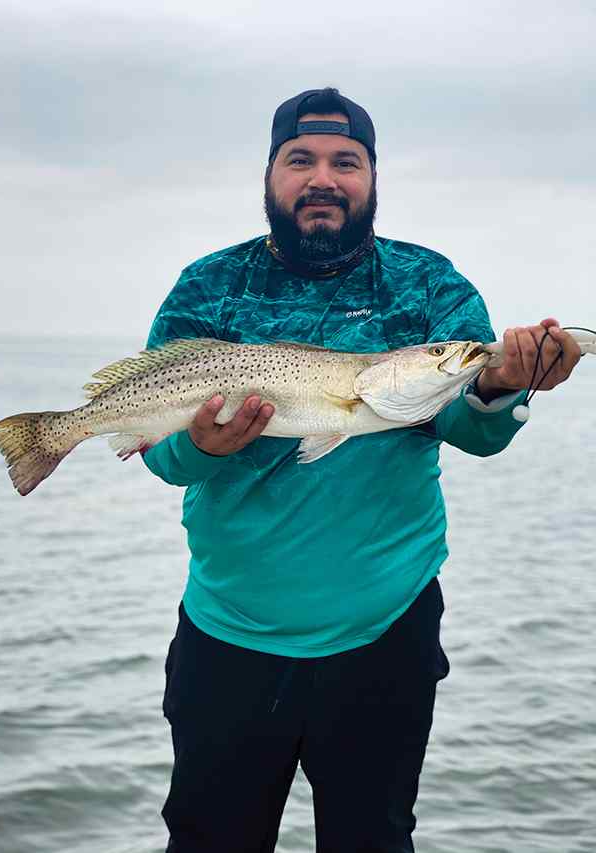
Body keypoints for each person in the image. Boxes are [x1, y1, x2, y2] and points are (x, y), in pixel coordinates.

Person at [141, 88, 581, 853]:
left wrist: (504, 385)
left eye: (346, 161)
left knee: (374, 840)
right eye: (301, 159)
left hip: (386, 633)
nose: (323, 178)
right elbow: (162, 453)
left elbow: (469, 427)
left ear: (372, 177)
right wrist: (201, 447)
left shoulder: (429, 286)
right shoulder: (209, 287)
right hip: (230, 633)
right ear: (270, 174)